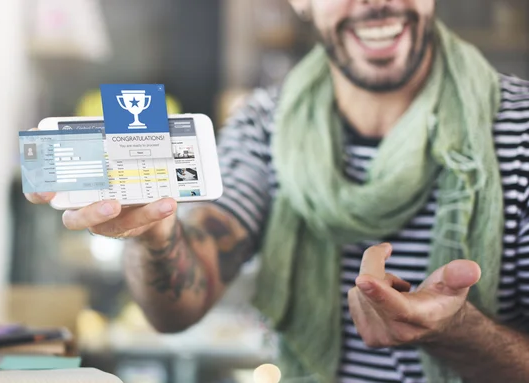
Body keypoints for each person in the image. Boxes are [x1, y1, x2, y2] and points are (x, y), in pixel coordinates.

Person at [27, 0, 529, 381]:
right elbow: (178, 305)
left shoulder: (521, 127)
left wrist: (460, 332)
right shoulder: (264, 124)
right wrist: (156, 235)